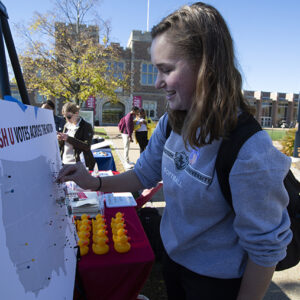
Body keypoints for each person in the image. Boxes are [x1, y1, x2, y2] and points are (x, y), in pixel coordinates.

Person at [57, 3, 292, 300]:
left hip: (215, 283)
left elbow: (266, 249)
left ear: (206, 65)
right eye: (156, 70)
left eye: (167, 69)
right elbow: (143, 174)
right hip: (174, 262)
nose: (157, 82)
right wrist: (93, 183)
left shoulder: (250, 151)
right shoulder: (171, 122)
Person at [57, 102, 95, 171]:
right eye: (64, 117)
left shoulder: (86, 126)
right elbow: (63, 145)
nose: (67, 119)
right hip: (65, 161)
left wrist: (68, 138)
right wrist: (60, 139)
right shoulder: (67, 125)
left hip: (78, 163)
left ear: (76, 113)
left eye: (69, 117)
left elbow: (86, 146)